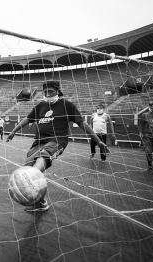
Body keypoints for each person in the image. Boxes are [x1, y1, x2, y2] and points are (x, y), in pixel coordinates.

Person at [6, 80, 109, 212]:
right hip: (38, 142)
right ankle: (40, 202)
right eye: (45, 92)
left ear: (58, 92)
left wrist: (98, 141)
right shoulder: (41, 106)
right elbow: (28, 119)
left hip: (57, 140)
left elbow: (83, 123)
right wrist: (14, 131)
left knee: (35, 168)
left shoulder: (67, 105)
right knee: (27, 167)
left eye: (51, 91)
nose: (48, 94)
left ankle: (33, 184)